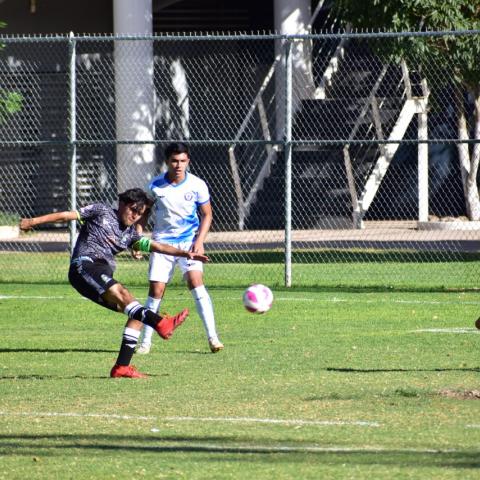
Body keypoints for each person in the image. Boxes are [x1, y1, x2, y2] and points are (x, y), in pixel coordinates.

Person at [19, 188, 209, 378]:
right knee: (125, 295)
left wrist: (186, 254)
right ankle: (161, 323)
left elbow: (157, 246)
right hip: (85, 265)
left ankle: (122, 367)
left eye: (140, 214)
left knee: (136, 314)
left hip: (98, 274)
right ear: (122, 204)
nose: (135, 216)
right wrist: (33, 222)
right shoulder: (101, 211)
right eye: (133, 210)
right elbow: (66, 215)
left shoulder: (130, 236)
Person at [136, 142, 223, 355]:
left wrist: (200, 241)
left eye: (183, 161)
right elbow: (143, 215)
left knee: (196, 282)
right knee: (156, 291)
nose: (178, 165)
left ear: (188, 161)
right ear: (167, 162)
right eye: (174, 161)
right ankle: (145, 342)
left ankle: (213, 337)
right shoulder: (155, 186)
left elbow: (207, 215)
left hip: (188, 243)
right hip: (162, 244)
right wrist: (137, 240)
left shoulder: (197, 185)